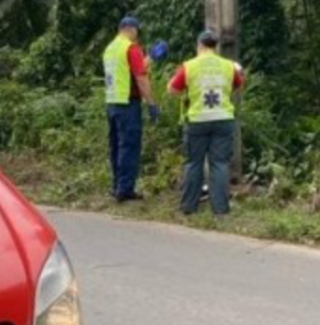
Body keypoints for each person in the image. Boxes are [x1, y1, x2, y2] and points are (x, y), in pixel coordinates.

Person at [167, 30, 244, 217]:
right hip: (223, 119)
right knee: (219, 164)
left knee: (194, 163)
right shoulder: (228, 66)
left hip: (197, 120)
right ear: (215, 46)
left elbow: (171, 89)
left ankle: (188, 208)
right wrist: (238, 71)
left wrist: (187, 93)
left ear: (199, 45)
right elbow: (239, 85)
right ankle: (220, 211)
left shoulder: (189, 66)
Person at [103, 16, 160, 202]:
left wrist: (151, 56)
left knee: (116, 146)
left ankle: (117, 185)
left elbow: (128, 68)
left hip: (112, 103)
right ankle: (125, 190)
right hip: (128, 104)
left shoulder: (111, 48)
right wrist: (151, 103)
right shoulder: (131, 48)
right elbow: (140, 77)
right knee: (129, 146)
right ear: (132, 29)